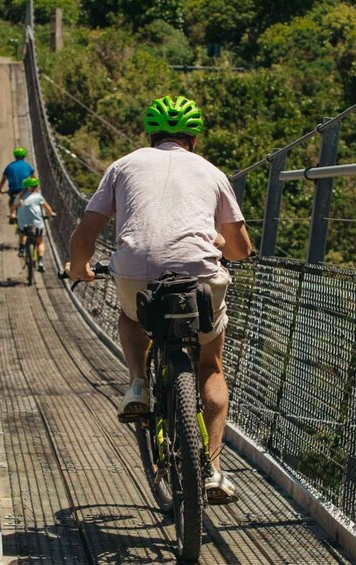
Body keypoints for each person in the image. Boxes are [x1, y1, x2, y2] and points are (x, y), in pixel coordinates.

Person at [66, 95, 252, 504]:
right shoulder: (212, 172)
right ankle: (215, 471)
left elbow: (85, 233)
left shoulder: (124, 166)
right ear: (194, 138)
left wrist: (78, 267)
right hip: (200, 275)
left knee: (132, 319)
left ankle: (137, 384)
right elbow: (240, 250)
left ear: (150, 135)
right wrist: (217, 241)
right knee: (210, 364)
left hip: (136, 272)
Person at [11, 177, 55, 272]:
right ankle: (40, 261)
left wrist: (13, 215)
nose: (37, 187)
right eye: (35, 186)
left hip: (23, 225)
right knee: (40, 242)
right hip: (37, 225)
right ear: (31, 188)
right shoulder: (38, 197)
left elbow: (13, 208)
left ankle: (21, 249)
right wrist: (51, 214)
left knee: (22, 232)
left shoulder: (20, 197)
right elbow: (47, 208)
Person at [0, 146, 35, 212]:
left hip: (13, 191)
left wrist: (0, 189)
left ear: (15, 156)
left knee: (11, 202)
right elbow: (34, 179)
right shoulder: (28, 166)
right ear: (24, 156)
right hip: (25, 190)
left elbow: (3, 180)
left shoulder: (9, 166)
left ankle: (12, 214)